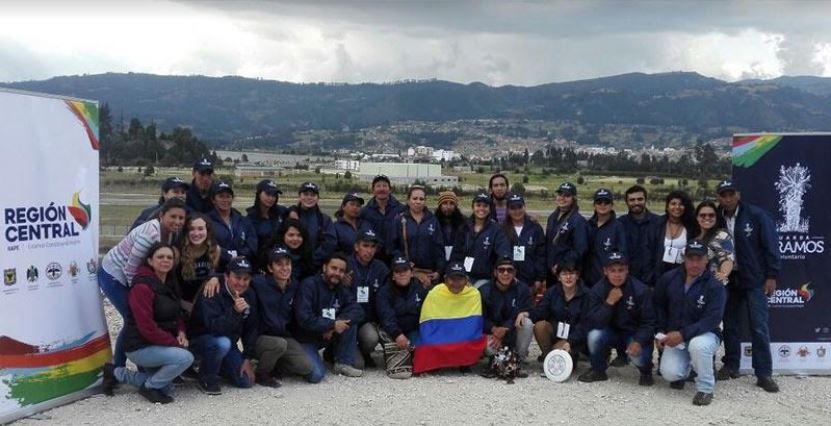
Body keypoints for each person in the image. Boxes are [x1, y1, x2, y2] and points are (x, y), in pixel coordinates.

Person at [99, 198, 187, 368]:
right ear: (161, 215)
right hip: (113, 274)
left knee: (142, 315)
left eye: (181, 218)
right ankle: (118, 367)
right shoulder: (150, 234)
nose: (177, 221)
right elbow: (131, 269)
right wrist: (141, 296)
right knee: (132, 317)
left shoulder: (170, 232)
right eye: (173, 217)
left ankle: (144, 364)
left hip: (131, 275)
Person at [102, 243, 194, 404]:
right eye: (160, 257)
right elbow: (147, 327)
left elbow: (177, 314)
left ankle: (116, 373)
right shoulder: (142, 287)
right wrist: (175, 344)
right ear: (150, 261)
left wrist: (181, 332)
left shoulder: (169, 284)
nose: (165, 260)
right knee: (185, 357)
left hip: (157, 345)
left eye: (169, 257)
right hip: (140, 347)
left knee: (165, 387)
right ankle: (149, 388)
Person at [715, 180, 781, 392]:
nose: (727, 198)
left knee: (759, 326)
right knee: (730, 323)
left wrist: (772, 275)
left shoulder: (756, 215)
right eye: (723, 195)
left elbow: (771, 245)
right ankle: (731, 364)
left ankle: (763, 373)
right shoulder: (716, 217)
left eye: (730, 194)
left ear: (738, 194)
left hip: (754, 278)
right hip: (728, 279)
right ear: (719, 197)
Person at [655, 240, 727, 406]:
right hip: (676, 336)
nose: (695, 263)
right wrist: (659, 332)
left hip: (705, 334)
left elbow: (713, 319)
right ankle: (689, 368)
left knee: (697, 346)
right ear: (684, 258)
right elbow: (658, 307)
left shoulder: (715, 285)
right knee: (669, 373)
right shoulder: (668, 278)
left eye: (699, 259)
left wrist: (682, 334)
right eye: (690, 258)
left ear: (706, 260)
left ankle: (705, 389)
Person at [579, 252, 656, 386]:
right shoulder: (597, 290)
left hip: (634, 334)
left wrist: (639, 341)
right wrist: (609, 303)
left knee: (639, 357)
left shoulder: (640, 290)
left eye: (621, 270)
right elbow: (593, 322)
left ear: (627, 270)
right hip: (611, 333)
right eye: (612, 270)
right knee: (594, 335)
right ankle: (598, 370)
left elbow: (649, 323)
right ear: (605, 271)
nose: (617, 274)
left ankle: (646, 371)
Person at [187, 257, 259, 394]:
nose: (241, 283)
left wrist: (247, 358)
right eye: (237, 277)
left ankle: (218, 366)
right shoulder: (213, 290)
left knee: (245, 381)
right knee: (222, 343)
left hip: (228, 343)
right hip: (202, 339)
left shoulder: (249, 294)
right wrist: (235, 312)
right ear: (226, 276)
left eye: (246, 279)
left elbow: (251, 328)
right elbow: (214, 328)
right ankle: (206, 377)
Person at [294, 253, 365, 381]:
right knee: (316, 375)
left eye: (341, 270)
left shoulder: (341, 289)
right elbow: (304, 318)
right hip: (307, 338)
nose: (337, 273)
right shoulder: (308, 285)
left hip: (329, 335)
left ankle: (342, 363)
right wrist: (331, 325)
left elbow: (358, 310)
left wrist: (335, 323)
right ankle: (289, 362)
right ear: (324, 267)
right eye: (334, 268)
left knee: (350, 322)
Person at [251, 247, 316, 385]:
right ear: (270, 268)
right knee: (279, 345)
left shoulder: (294, 285)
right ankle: (262, 373)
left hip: (284, 335)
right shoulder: (259, 282)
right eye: (279, 264)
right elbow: (237, 277)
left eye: (287, 264)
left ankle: (274, 365)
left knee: (306, 367)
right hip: (261, 336)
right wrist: (214, 278)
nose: (284, 268)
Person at [412, 261, 487, 374]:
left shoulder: (473, 294)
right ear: (445, 279)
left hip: (462, 333)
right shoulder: (435, 293)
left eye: (460, 279)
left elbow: (474, 324)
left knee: (470, 338)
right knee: (428, 342)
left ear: (466, 280)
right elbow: (428, 322)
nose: (456, 283)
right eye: (452, 279)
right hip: (441, 332)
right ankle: (437, 363)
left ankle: (464, 363)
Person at [375, 257, 428, 379]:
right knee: (401, 369)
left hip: (414, 330)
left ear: (411, 273)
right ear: (392, 275)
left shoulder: (420, 289)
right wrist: (397, 334)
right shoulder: (384, 292)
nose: (402, 273)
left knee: (422, 360)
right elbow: (386, 316)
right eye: (398, 271)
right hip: (393, 331)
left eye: (405, 270)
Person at [478, 258, 532, 377]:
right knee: (489, 348)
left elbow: (528, 310)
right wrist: (494, 329)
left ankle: (518, 360)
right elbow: (479, 317)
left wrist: (505, 329)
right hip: (492, 333)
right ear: (495, 272)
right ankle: (494, 361)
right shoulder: (484, 290)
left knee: (527, 323)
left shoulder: (522, 289)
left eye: (509, 270)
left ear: (515, 273)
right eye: (501, 270)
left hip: (512, 332)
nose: (505, 273)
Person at [529, 260, 590, 364]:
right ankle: (549, 358)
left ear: (578, 275)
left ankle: (559, 357)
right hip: (556, 333)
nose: (568, 277)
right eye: (564, 274)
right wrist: (526, 314)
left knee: (563, 356)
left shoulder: (587, 294)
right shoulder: (551, 292)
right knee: (540, 326)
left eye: (572, 273)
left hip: (576, 337)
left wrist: (570, 341)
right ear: (558, 277)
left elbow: (585, 324)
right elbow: (539, 312)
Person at [345, 229, 390, 368]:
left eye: (372, 247)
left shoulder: (381, 268)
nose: (369, 251)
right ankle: (334, 350)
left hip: (367, 321)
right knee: (358, 365)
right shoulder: (345, 264)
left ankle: (364, 352)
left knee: (371, 337)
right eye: (365, 245)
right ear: (356, 246)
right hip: (348, 321)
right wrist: (342, 285)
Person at [389, 185, 446, 288]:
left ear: (425, 201)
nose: (418, 202)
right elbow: (392, 247)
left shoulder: (433, 220)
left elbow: (439, 248)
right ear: (408, 200)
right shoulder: (400, 220)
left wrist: (439, 271)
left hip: (428, 273)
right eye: (414, 198)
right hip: (406, 273)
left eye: (421, 199)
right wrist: (403, 261)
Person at [451, 192, 511, 288]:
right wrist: (458, 275)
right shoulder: (464, 228)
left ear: (490, 209)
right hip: (462, 277)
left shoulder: (496, 230)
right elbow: (456, 254)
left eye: (485, 206)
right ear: (473, 207)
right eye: (478, 205)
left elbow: (503, 253)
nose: (481, 209)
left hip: (485, 279)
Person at [501, 193, 546, 299]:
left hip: (530, 282)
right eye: (512, 208)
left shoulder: (535, 228)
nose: (517, 211)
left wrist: (539, 278)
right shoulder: (502, 229)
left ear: (524, 207)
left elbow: (541, 255)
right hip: (507, 279)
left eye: (519, 207)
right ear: (508, 210)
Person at [176, 213, 222, 312]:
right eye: (191, 229)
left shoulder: (215, 250)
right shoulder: (178, 252)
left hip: (205, 304)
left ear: (207, 231)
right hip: (181, 304)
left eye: (200, 229)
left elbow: (229, 269)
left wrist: (215, 277)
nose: (196, 233)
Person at [545, 182, 588, 282]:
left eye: (567, 195)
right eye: (560, 194)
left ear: (573, 199)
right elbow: (548, 244)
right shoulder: (552, 218)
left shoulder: (578, 221)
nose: (562, 198)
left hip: (568, 272)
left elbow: (580, 250)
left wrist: (561, 265)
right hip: (550, 272)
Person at [207, 180, 257, 266]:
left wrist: (237, 255)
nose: (225, 200)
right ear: (213, 199)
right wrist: (228, 257)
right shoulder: (206, 221)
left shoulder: (244, 221)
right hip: (219, 269)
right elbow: (208, 246)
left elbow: (252, 247)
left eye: (228, 196)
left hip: (242, 268)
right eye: (221, 196)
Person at [287, 182, 337, 268]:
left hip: (315, 267)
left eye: (313, 195)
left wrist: (312, 259)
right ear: (299, 196)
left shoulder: (325, 220)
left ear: (318, 198)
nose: (309, 197)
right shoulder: (289, 216)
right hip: (291, 266)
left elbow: (330, 243)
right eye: (305, 194)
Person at [585, 188, 627, 287]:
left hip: (606, 281)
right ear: (594, 205)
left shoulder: (618, 227)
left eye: (606, 202)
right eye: (599, 202)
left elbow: (622, 255)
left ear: (612, 205)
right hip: (586, 281)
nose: (603, 205)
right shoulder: (587, 225)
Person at [618, 185, 659, 287]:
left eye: (640, 199)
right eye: (632, 200)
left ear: (646, 200)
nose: (636, 203)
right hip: (626, 282)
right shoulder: (619, 224)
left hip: (652, 283)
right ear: (626, 202)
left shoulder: (659, 222)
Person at [652, 190, 696, 280]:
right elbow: (648, 252)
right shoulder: (656, 224)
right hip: (659, 275)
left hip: (683, 276)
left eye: (681, 204)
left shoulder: (692, 226)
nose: (677, 207)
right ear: (667, 207)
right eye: (673, 203)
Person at [360, 174, 405, 262]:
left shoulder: (401, 209)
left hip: (396, 257)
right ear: (373, 190)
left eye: (385, 186)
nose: (382, 189)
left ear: (390, 189)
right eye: (378, 186)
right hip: (373, 257)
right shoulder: (364, 212)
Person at [246, 179, 287, 263]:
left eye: (274, 195)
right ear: (259, 194)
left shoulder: (281, 212)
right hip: (261, 261)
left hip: (282, 259)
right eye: (267, 194)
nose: (271, 198)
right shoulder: (250, 218)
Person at [695, 200, 734, 285]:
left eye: (711, 215)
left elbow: (727, 259)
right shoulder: (693, 238)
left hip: (714, 286)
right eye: (702, 215)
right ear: (697, 218)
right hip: (696, 286)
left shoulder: (722, 235)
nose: (707, 218)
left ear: (716, 217)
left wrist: (724, 273)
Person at [435, 191, 466, 263]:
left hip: (457, 264)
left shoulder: (464, 223)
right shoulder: (433, 223)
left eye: (451, 203)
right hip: (437, 264)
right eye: (445, 203)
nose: (448, 207)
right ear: (440, 205)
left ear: (455, 206)